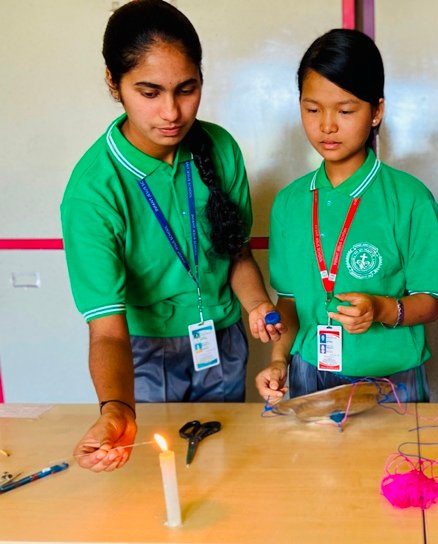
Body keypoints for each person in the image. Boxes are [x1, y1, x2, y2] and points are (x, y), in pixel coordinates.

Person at [61, 0, 282, 471]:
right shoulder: (92, 192)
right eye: (149, 92)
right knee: (155, 479)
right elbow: (107, 331)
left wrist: (256, 304)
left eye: (187, 89)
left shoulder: (220, 148)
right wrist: (116, 409)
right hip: (144, 352)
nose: (172, 112)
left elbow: (237, 254)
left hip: (221, 340)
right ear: (113, 82)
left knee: (224, 468)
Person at [255, 29, 438, 405]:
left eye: (345, 111)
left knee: (397, 448)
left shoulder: (410, 198)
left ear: (376, 111)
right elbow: (289, 301)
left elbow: (431, 301)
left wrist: (380, 309)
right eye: (312, 109)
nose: (327, 125)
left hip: (392, 379)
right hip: (309, 370)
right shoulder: (289, 203)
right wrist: (279, 361)